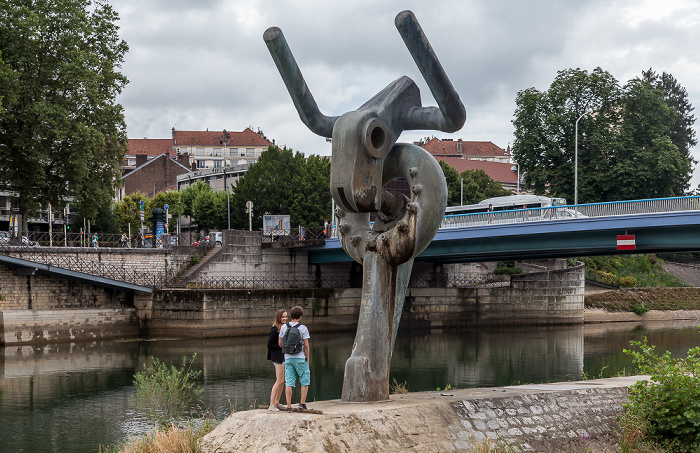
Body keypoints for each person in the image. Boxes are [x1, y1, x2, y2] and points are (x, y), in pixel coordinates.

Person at [278, 305, 311, 411]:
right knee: (304, 381)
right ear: (300, 316)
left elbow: (280, 343)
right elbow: (306, 345)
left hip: (287, 358)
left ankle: (288, 406)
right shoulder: (303, 328)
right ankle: (302, 403)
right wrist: (307, 358)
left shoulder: (284, 327)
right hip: (300, 357)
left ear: (291, 316)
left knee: (289, 382)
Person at [267, 309, 287, 412]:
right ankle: (271, 405)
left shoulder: (284, 328)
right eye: (283, 317)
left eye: (286, 317)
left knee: (283, 381)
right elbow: (269, 345)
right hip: (277, 358)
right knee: (279, 381)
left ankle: (277, 402)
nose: (285, 319)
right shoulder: (274, 329)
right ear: (278, 318)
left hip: (282, 356)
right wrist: (281, 346)